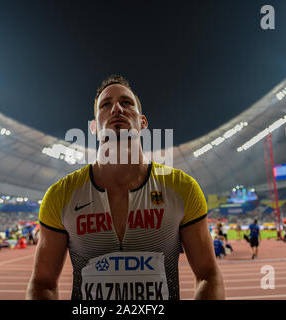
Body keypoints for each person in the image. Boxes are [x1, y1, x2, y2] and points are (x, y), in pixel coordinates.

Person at [27, 75, 225, 300]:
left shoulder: (183, 188)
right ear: (93, 127)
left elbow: (209, 275)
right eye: (106, 104)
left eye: (126, 102)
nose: (116, 109)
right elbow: (42, 283)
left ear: (143, 122)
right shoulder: (60, 195)